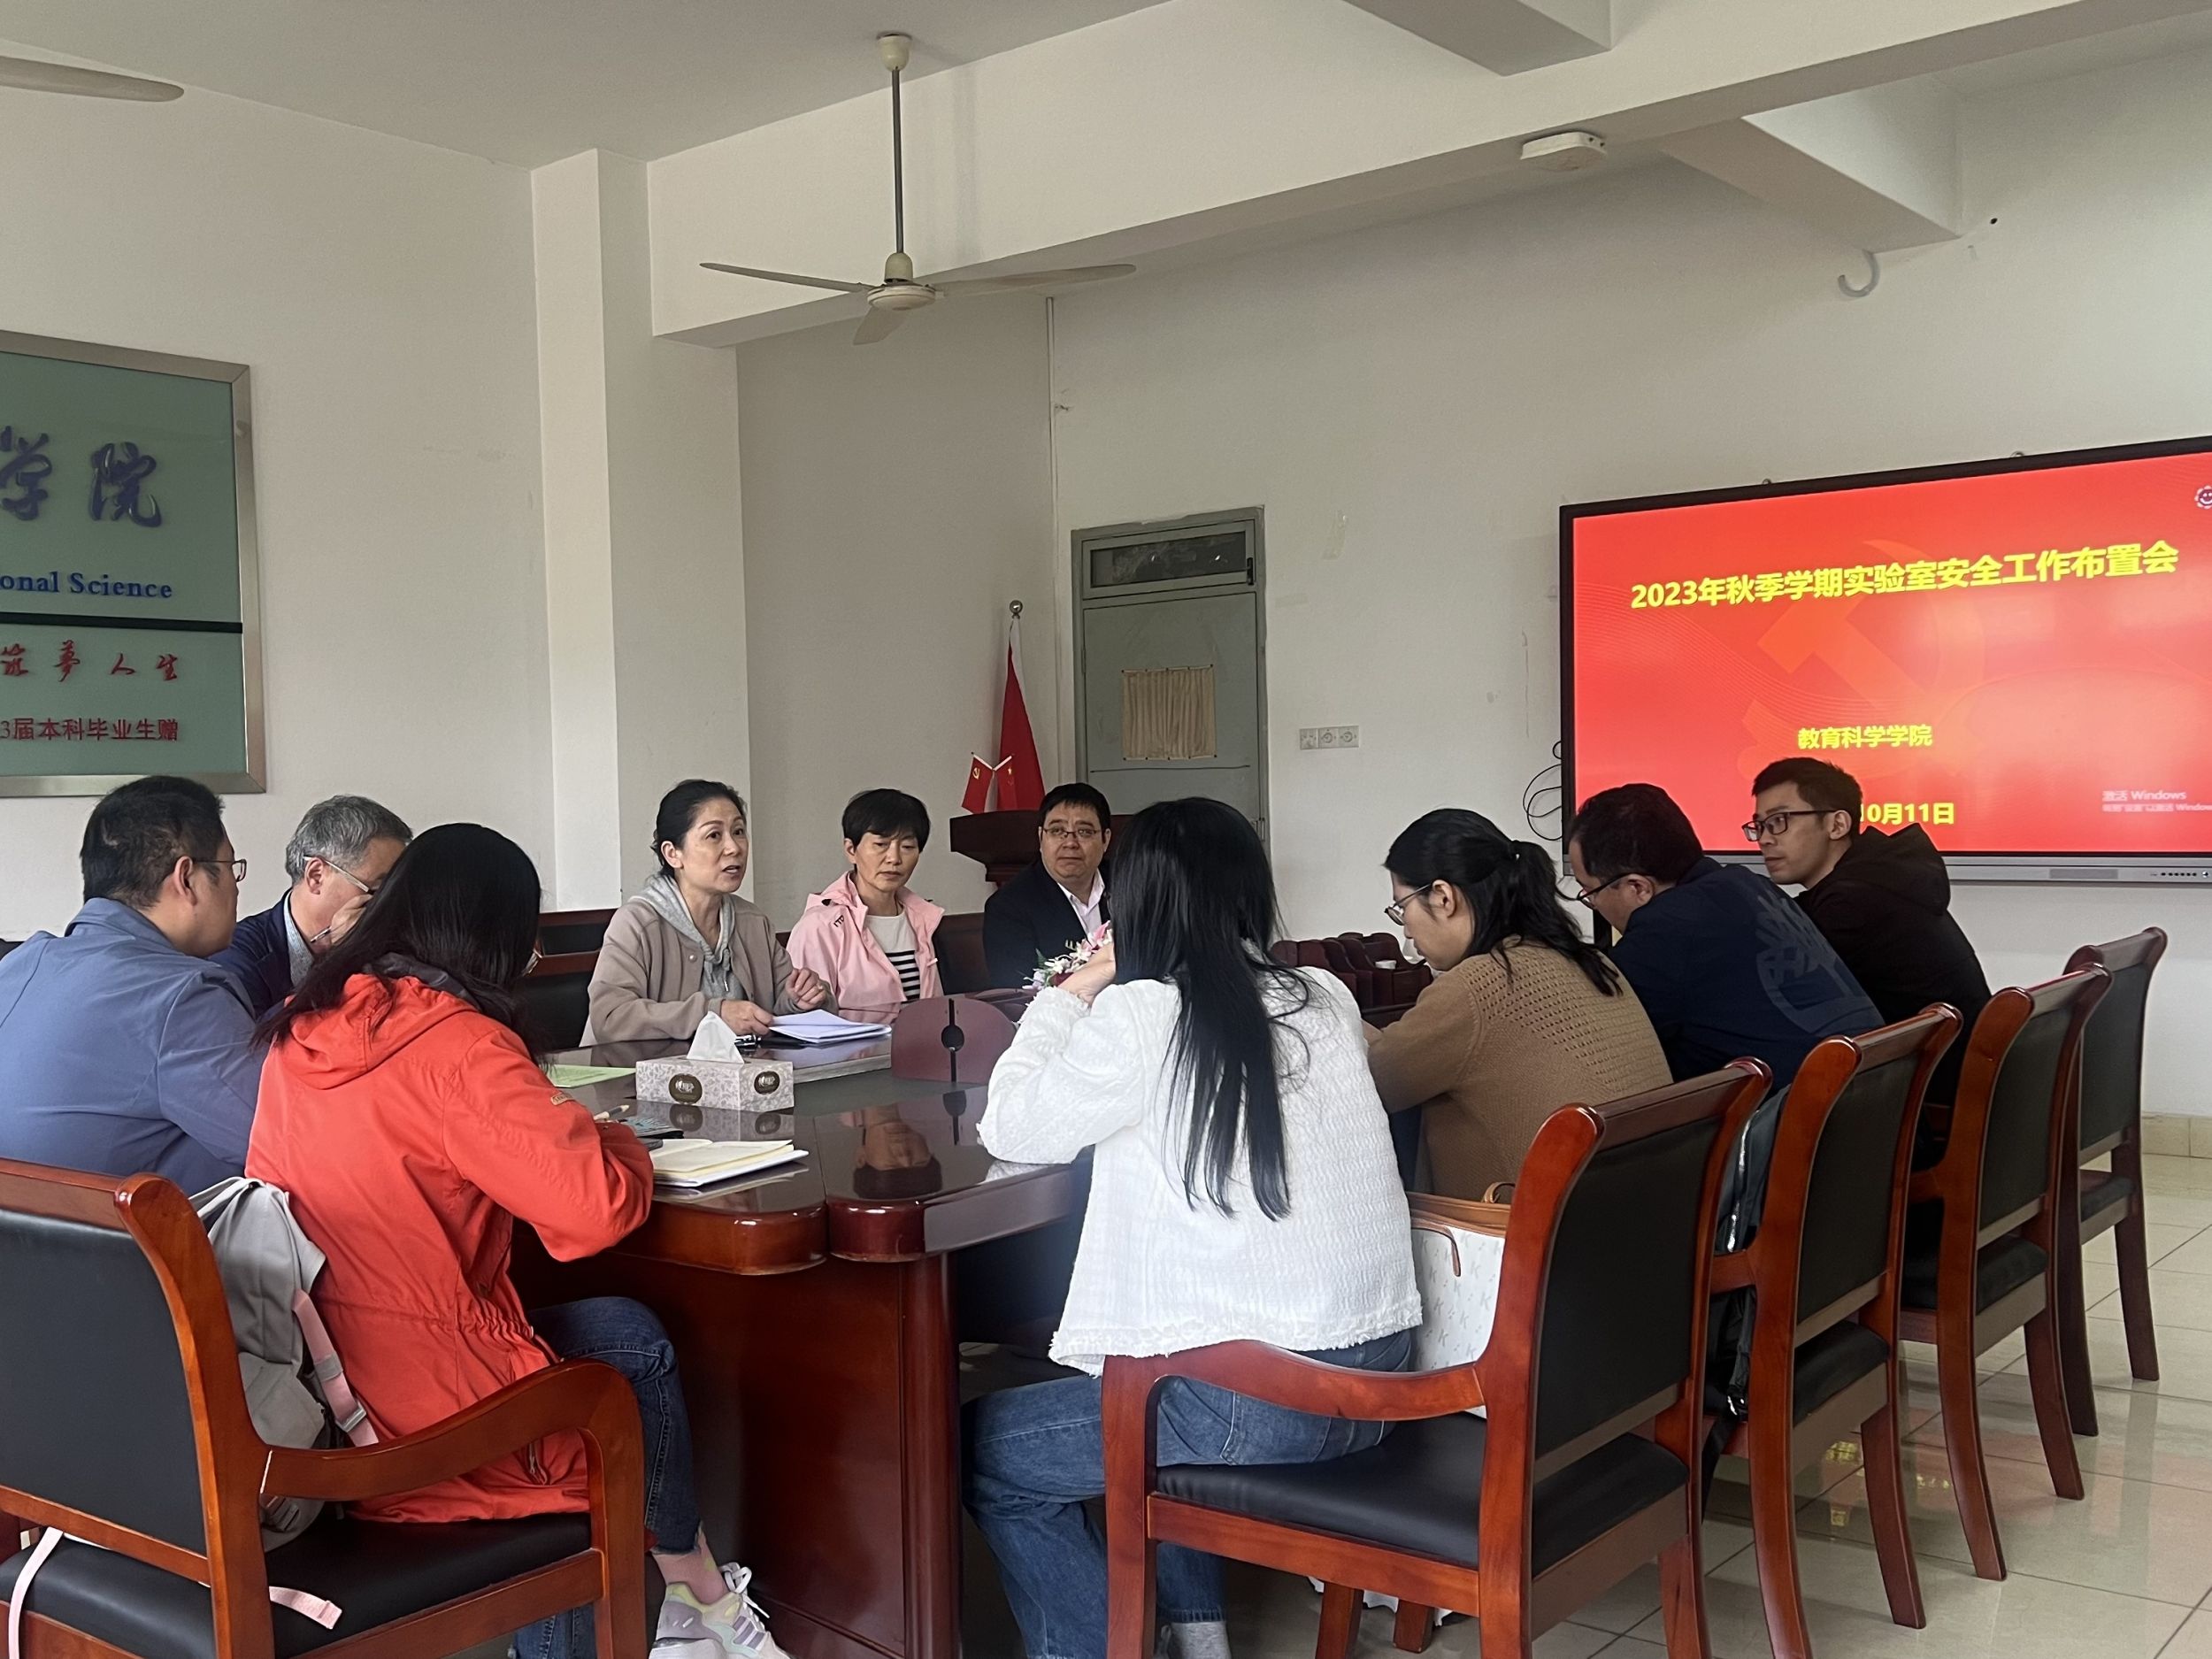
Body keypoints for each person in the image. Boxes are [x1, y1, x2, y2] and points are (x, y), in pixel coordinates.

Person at [247, 824, 787, 1659]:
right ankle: (667, 1594)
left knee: (629, 1335)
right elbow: (596, 1208)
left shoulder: (304, 1027)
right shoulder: (458, 1043)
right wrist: (616, 1136)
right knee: (585, 1439)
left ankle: (687, 1586)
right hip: (426, 1409)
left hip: (328, 1378)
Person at [964, 798, 1420, 1659]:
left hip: (1258, 1402)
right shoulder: (1323, 995)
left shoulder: (1144, 1013)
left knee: (987, 1451)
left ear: (1136, 900)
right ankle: (1196, 1633)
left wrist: (1071, 991)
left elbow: (1011, 1126)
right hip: (1379, 1382)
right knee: (1169, 1358)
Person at [1367, 809, 1671, 1196]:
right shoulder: (1591, 962)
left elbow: (1373, 1082)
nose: (1407, 929)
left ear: (1443, 897)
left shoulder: (1480, 984)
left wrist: (1339, 1018)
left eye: (1402, 907)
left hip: (1533, 1228)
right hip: (1640, 1210)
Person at [0, 775, 260, 1190]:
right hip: (135, 1232)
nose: (235, 887)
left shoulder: (19, 965)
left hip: (31, 1228)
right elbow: (290, 1146)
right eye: (231, 868)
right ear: (187, 878)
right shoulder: (183, 999)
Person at [1566, 782, 1879, 1087]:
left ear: (1638, 888)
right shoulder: (1748, 885)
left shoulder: (1666, 929)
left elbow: (1599, 1057)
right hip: (1869, 1094)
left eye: (1590, 892)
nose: (1594, 904)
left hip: (1802, 1114)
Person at [1749, 757, 1992, 1106]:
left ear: (1837, 824)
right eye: (1759, 825)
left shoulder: (1855, 901)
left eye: (1779, 822)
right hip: (1955, 1081)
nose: (1765, 839)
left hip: (1927, 1101)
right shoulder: (1879, 876)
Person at [585, 780, 833, 1043]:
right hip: (636, 1069)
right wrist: (712, 1014)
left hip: (741, 1067)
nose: (734, 848)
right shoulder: (638, 923)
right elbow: (611, 1017)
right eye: (714, 835)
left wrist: (800, 999)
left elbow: (779, 1008)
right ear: (673, 854)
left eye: (738, 831)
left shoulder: (753, 922)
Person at [212, 795, 412, 1018]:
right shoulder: (235, 957)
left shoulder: (391, 944)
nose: (388, 905)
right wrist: (341, 960)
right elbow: (258, 1036)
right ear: (316, 876)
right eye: (377, 889)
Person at [786, 788, 943, 1012]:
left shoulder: (923, 918)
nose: (894, 858)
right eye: (881, 844)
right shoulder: (819, 926)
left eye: (907, 847)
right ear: (851, 850)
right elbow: (807, 1018)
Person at [983, 782, 1112, 987]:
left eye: (1084, 832)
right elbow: (1016, 991)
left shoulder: (1131, 885)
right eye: (1057, 830)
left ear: (1105, 839)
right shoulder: (1008, 907)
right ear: (1041, 837)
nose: (1070, 843)